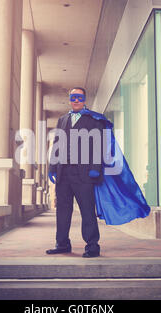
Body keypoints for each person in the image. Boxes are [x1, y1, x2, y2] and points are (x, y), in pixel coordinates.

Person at [46, 87, 103, 258]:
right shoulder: (62, 120)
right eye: (73, 97)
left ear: (84, 99)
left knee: (87, 210)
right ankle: (62, 243)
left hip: (84, 173)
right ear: (69, 99)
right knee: (62, 210)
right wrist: (52, 168)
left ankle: (92, 246)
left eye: (79, 97)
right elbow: (56, 144)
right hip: (64, 173)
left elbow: (99, 145)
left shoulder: (94, 119)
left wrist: (95, 168)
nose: (76, 100)